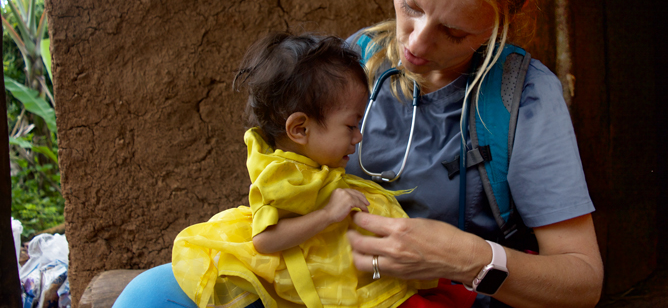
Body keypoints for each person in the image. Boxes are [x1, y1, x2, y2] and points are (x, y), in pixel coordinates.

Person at [114, 0, 603, 307]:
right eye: (411, 5)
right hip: (328, 281)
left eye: (454, 33)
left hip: (432, 295)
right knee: (148, 297)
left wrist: (470, 258)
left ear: (504, 20)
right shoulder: (356, 61)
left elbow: (583, 282)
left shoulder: (524, 100)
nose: (415, 42)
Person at [147, 33, 475, 308]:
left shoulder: (310, 162)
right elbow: (265, 240)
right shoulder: (280, 175)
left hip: (355, 270)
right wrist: (330, 214)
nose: (359, 137)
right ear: (300, 129)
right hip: (335, 282)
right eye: (351, 125)